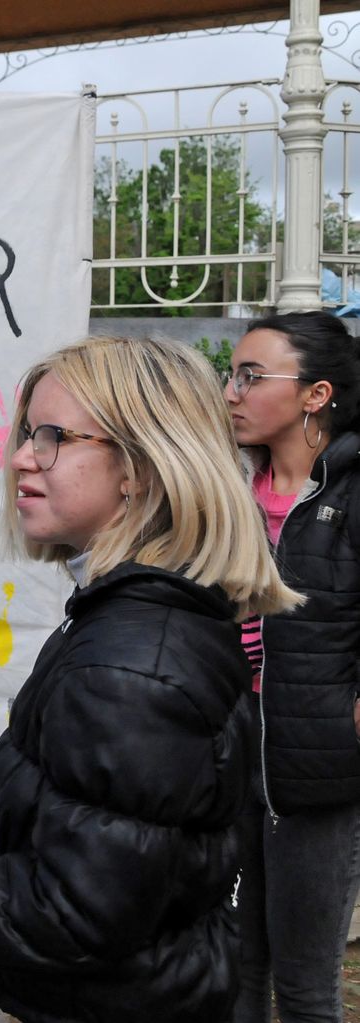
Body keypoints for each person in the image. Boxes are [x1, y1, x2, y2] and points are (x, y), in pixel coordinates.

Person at [0, 336, 300, 1022]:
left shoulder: (129, 662)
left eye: (53, 437)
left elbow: (73, 914)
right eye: (24, 433)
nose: (20, 457)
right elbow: (117, 806)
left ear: (139, 466)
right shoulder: (137, 618)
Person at [225, 311, 360, 1023]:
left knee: (305, 988)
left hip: (316, 768)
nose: (232, 391)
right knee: (235, 969)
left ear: (315, 394)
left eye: (251, 376)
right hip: (229, 752)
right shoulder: (230, 490)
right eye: (231, 373)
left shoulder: (351, 488)